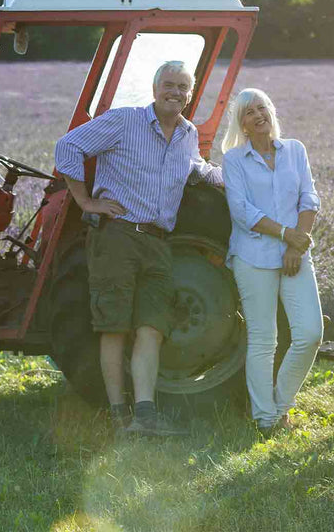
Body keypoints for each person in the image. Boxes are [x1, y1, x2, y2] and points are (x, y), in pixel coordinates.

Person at [54, 60, 223, 436]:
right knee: (113, 326)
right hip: (119, 236)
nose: (175, 92)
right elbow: (68, 146)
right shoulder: (125, 120)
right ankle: (119, 416)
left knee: (151, 327)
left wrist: (246, 180)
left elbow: (198, 169)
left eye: (183, 87)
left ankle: (144, 417)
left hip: (159, 242)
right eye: (169, 84)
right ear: (154, 86)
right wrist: (86, 202)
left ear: (190, 94)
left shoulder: (187, 133)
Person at [222, 88, 323, 434]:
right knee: (264, 340)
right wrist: (285, 234)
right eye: (249, 112)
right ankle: (266, 419)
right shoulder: (234, 160)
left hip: (295, 255)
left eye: (262, 106)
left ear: (271, 111)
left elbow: (309, 198)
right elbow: (241, 211)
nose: (258, 114)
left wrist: (296, 245)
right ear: (243, 125)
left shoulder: (295, 150)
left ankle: (279, 404)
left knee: (310, 333)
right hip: (252, 256)